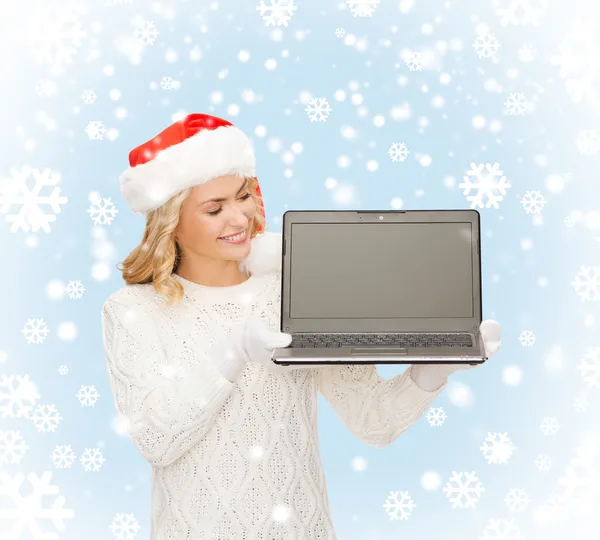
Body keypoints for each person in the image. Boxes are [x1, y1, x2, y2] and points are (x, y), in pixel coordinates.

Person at [101, 113, 502, 540]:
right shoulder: (134, 310)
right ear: (172, 221)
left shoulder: (294, 292)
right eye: (215, 209)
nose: (239, 218)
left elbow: (373, 422)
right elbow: (157, 441)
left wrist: (431, 370)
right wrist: (233, 352)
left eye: (243, 197)